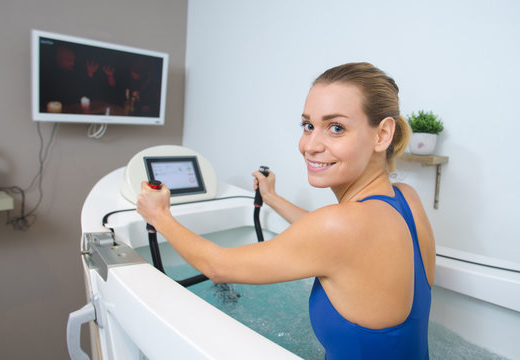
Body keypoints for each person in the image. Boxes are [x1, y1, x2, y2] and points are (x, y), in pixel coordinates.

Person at [136, 62, 436, 360]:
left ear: (382, 135)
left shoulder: (342, 226)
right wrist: (272, 198)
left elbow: (218, 267)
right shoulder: (406, 200)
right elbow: (335, 240)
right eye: (308, 125)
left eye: (336, 128)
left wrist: (159, 215)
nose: (310, 145)